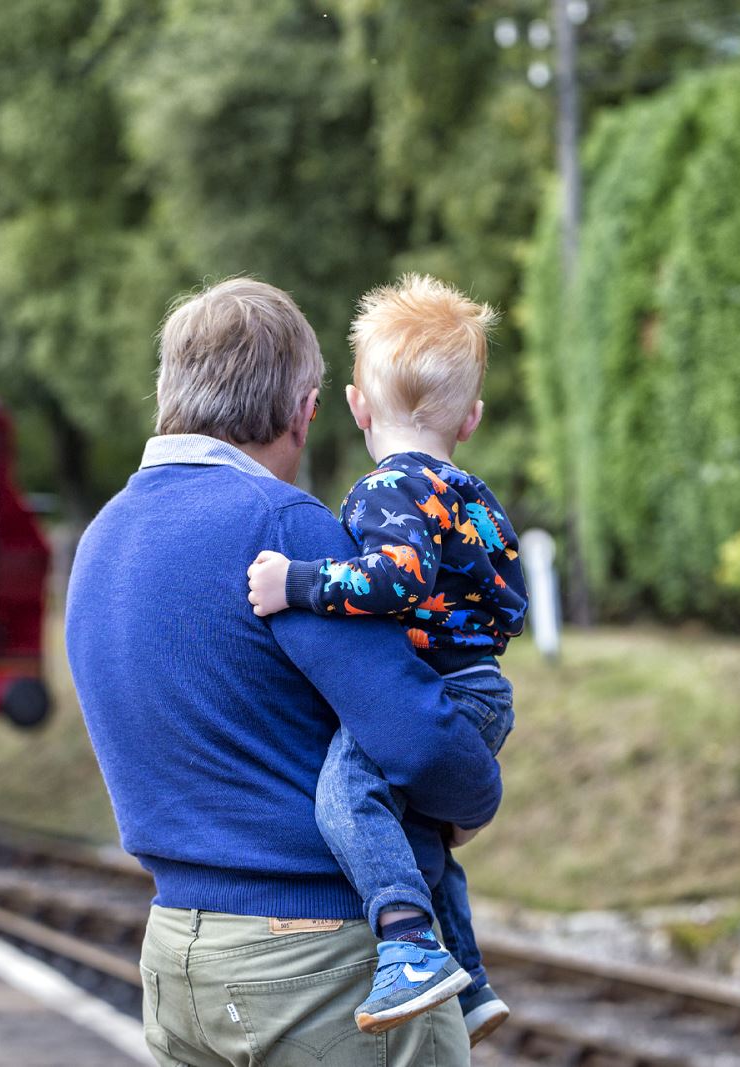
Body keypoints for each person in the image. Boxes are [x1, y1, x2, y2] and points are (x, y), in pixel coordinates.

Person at [67, 277, 499, 1067]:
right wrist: (475, 797)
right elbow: (417, 739)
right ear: (306, 408)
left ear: (168, 391)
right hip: (315, 964)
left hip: (175, 954)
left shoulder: (102, 539)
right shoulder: (283, 527)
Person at [245, 274, 527, 1045]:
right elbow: (512, 599)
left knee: (345, 795)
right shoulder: (472, 497)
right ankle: (466, 977)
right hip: (482, 689)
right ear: (470, 418)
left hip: (435, 690)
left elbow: (397, 576)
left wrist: (295, 583)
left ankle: (406, 942)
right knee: (423, 835)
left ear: (358, 407)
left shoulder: (385, 489)